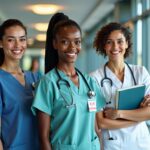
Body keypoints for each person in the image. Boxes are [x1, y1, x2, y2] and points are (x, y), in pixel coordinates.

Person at [31, 12, 105, 150]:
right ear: (55, 44)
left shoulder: (89, 82)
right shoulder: (48, 83)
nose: (72, 47)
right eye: (65, 42)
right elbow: (43, 137)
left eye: (77, 42)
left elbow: (95, 127)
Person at [90, 22, 150, 150]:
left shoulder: (140, 73)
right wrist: (138, 117)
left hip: (141, 142)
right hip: (113, 144)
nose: (115, 46)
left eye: (120, 41)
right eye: (109, 42)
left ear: (127, 43)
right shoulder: (94, 78)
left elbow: (149, 112)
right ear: (104, 46)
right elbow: (101, 122)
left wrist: (118, 114)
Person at [0, 19, 40, 150]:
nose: (18, 45)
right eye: (11, 40)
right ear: (1, 43)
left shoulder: (35, 77)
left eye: (22, 39)